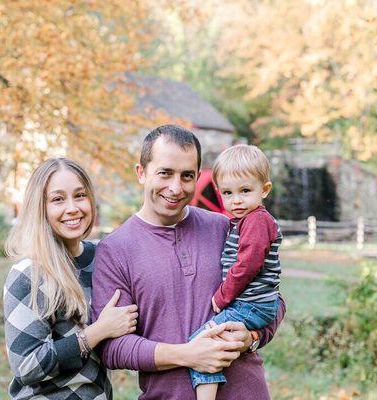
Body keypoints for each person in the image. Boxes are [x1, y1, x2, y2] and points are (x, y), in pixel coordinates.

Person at [91, 125, 286, 400]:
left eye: (187, 176)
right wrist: (187, 355)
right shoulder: (116, 249)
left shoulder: (226, 227)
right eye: (165, 173)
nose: (175, 187)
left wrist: (251, 338)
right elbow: (112, 349)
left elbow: (273, 300)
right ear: (141, 173)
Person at [3, 158, 138, 400]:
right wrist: (97, 332)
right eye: (58, 199)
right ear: (40, 207)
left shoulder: (102, 258)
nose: (72, 207)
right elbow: (26, 366)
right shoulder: (29, 273)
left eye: (79, 195)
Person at [189, 144, 282, 400]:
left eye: (245, 191)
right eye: (228, 193)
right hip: (253, 305)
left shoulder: (257, 221)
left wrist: (222, 296)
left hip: (250, 306)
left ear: (264, 190)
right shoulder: (244, 222)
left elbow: (247, 265)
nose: (236, 200)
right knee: (209, 342)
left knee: (201, 342)